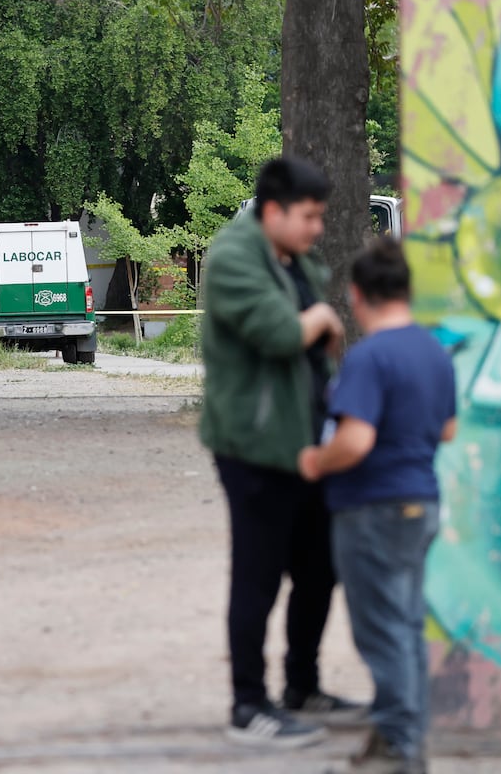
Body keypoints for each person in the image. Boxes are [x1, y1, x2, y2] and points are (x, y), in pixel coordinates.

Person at [200, 156, 362, 748]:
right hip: (255, 447)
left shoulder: (288, 256)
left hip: (305, 443)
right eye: (309, 216)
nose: (318, 227)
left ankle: (303, 686)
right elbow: (278, 333)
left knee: (320, 566)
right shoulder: (233, 259)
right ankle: (248, 705)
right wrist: (319, 316)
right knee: (259, 574)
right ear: (273, 211)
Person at [298, 240, 456, 774]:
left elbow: (356, 441)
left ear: (358, 295)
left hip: (373, 507)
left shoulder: (370, 355)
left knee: (381, 630)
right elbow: (449, 428)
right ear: (407, 291)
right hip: (422, 501)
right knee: (406, 624)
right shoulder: (433, 350)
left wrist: (317, 461)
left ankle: (398, 747)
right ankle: (405, 737)